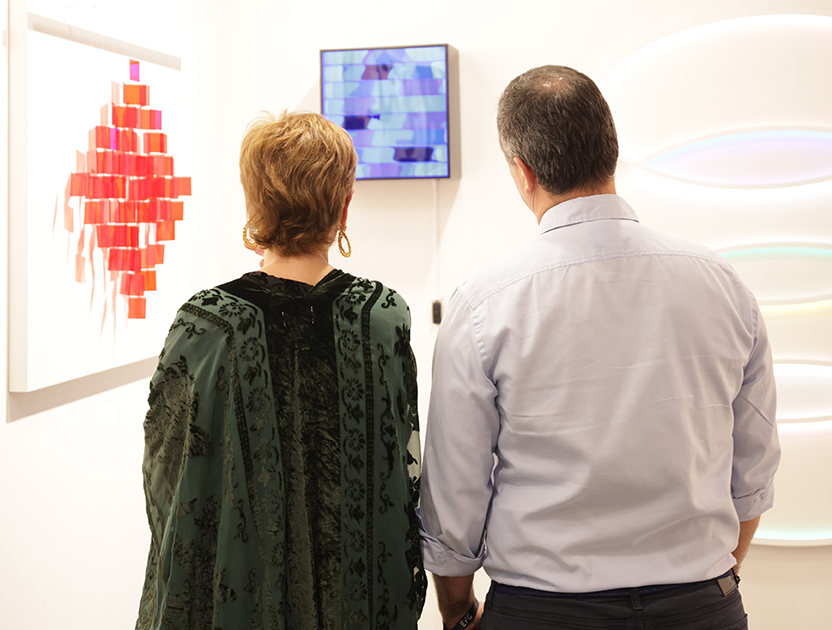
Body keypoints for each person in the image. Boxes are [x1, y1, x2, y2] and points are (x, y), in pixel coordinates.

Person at [418, 66, 780, 630]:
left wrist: (458, 612)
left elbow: (454, 494)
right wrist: (709, 581)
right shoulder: (722, 284)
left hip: (542, 613)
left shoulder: (484, 303)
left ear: (523, 171)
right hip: (700, 607)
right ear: (610, 152)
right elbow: (753, 472)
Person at [135, 111, 426, 630]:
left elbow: (168, 474)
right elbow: (404, 471)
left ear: (253, 203)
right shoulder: (383, 316)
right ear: (345, 204)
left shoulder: (206, 324)